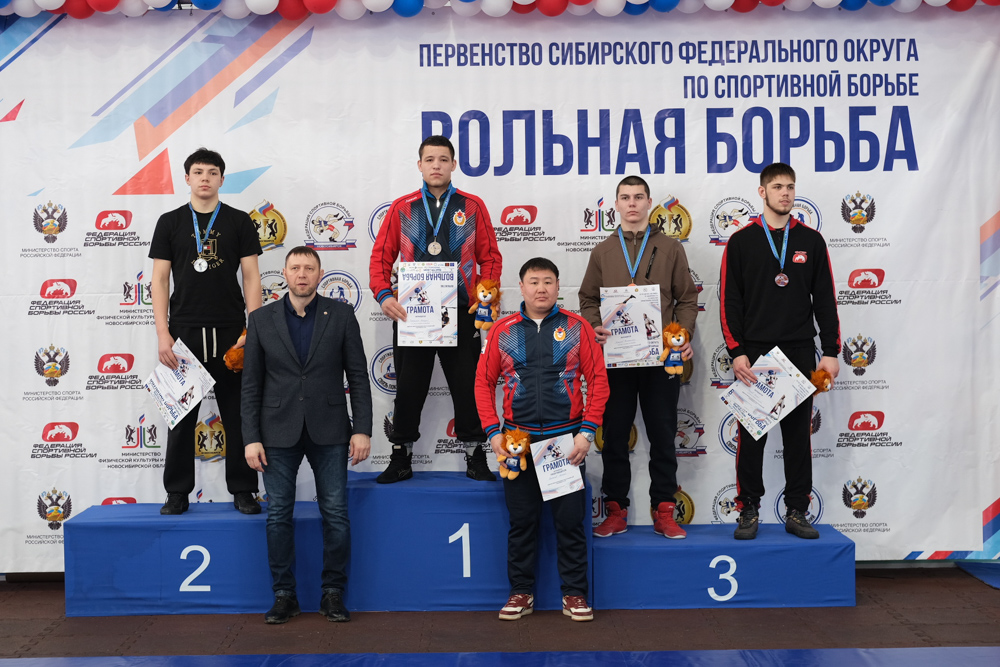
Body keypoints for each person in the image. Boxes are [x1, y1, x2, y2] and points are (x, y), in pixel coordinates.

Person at [242, 246, 372, 624]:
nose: (302, 274)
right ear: (284, 273)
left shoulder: (342, 315)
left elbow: (358, 376)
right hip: (275, 431)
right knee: (278, 516)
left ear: (320, 274)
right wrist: (250, 437)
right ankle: (284, 595)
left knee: (336, 515)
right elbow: (251, 385)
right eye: (295, 268)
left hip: (330, 429)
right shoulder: (261, 319)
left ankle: (333, 593)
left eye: (309, 268)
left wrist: (362, 430)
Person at [476, 258, 609, 623]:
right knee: (522, 523)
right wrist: (493, 432)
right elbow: (483, 384)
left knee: (569, 524)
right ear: (520, 287)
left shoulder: (577, 327)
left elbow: (598, 380)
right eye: (533, 281)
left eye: (548, 281)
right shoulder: (501, 330)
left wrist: (587, 433)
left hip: (564, 442)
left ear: (558, 286)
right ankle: (521, 592)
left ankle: (575, 594)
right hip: (517, 443)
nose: (541, 288)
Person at [369, 135, 502, 483]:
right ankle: (401, 456)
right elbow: (380, 257)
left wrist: (485, 296)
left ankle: (475, 455)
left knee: (468, 386)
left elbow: (490, 257)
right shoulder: (402, 207)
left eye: (443, 159)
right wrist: (384, 295)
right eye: (430, 160)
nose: (436, 166)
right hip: (414, 312)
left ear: (453, 164)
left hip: (461, 311)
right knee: (409, 387)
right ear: (420, 165)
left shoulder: (472, 206)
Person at [720, 162, 841, 540]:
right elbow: (729, 301)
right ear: (762, 192)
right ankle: (748, 509)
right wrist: (736, 351)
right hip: (756, 353)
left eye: (789, 186)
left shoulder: (811, 241)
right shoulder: (741, 241)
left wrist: (831, 350)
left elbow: (825, 300)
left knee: (798, 438)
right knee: (751, 437)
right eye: (777, 187)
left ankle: (797, 509)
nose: (785, 193)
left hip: (799, 350)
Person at [579, 176, 699, 540]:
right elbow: (587, 298)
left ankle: (664, 510)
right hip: (616, 359)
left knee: (663, 436)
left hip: (661, 358)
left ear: (649, 203)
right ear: (616, 204)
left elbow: (687, 298)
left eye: (638, 197)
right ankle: (615, 510)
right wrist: (595, 325)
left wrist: (683, 335)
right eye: (625, 197)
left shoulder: (670, 248)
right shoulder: (603, 251)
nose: (632, 203)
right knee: (615, 436)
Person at [149, 148, 262, 516]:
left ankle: (244, 489)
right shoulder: (170, 222)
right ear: (187, 178)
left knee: (238, 415)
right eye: (198, 172)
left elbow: (251, 277)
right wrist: (163, 333)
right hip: (184, 333)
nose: (205, 178)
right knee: (181, 418)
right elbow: (160, 279)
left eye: (212, 172)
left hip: (231, 332)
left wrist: (253, 330)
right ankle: (177, 492)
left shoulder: (239, 221)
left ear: (222, 180)